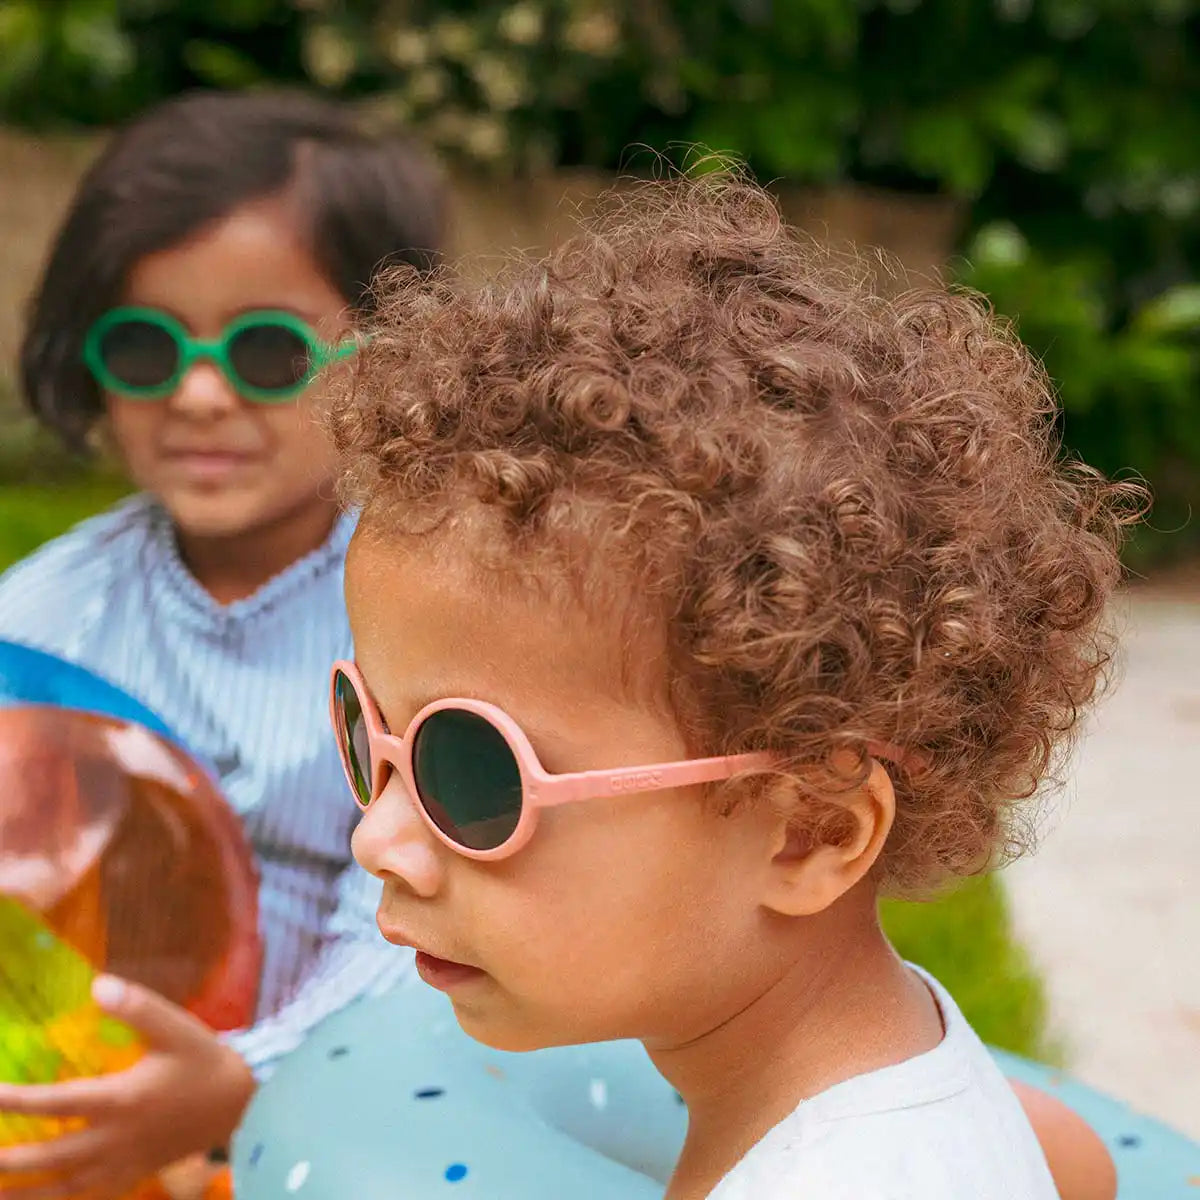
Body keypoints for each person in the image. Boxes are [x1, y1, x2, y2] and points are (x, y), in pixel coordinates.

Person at [329, 174, 1138, 1199]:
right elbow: (1079, 1163)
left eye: (470, 771)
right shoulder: (886, 1070)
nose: (376, 839)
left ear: (810, 832)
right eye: (367, 733)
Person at [0, 89, 443, 1196]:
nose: (199, 395)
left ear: (385, 358)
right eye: (148, 347)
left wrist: (249, 1081)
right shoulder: (47, 621)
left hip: (370, 1102)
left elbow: (421, 919)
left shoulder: (433, 616)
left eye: (264, 350)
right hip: (88, 1109)